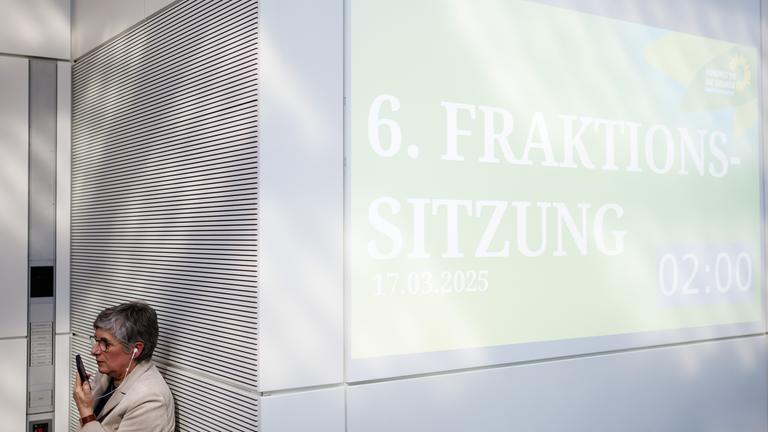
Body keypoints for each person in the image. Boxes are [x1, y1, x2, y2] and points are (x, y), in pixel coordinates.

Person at [73, 301, 175, 431]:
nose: (93, 351)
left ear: (135, 350)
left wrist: (86, 412)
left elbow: (89, 420)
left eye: (105, 343)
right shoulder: (108, 374)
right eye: (96, 340)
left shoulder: (150, 401)